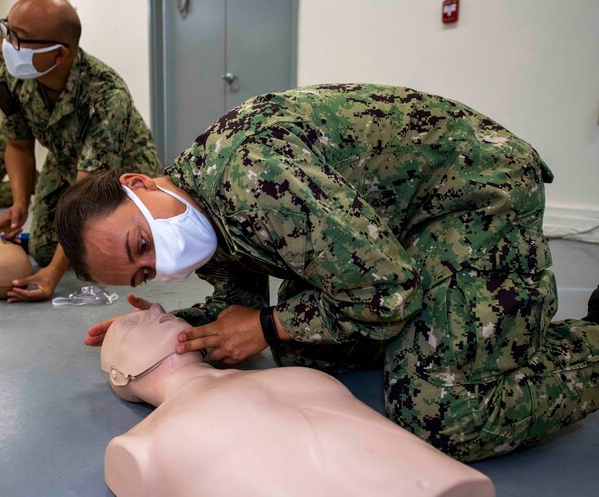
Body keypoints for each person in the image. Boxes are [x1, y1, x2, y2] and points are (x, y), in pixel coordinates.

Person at [55, 83, 599, 462]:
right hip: (387, 229)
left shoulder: (254, 182)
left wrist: (266, 327)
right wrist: (164, 327)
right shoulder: (195, 207)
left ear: (141, 184)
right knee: (305, 350)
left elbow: (386, 292)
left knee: (444, 419)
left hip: (470, 197)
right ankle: (443, 338)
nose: (163, 263)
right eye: (144, 274)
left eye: (142, 243)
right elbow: (236, 304)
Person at [100, 304, 495, 497]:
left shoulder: (286, 372)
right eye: (135, 322)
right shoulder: (138, 448)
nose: (154, 308)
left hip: (447, 485)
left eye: (160, 309)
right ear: (120, 374)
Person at [0, 0, 160, 303]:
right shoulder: (9, 78)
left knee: (110, 249)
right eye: (7, 31)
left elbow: (90, 190)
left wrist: (52, 275)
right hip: (65, 158)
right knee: (44, 249)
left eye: (19, 38)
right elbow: (17, 144)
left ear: (60, 55)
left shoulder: (106, 92)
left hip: (121, 171)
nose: (7, 44)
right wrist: (20, 203)